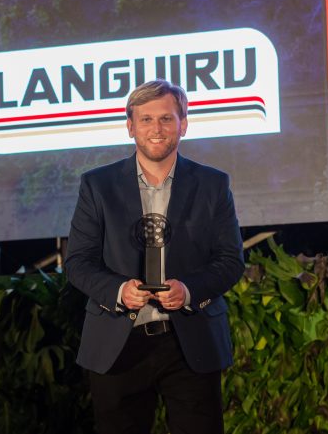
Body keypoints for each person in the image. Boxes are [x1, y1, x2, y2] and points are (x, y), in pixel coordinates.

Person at [65, 79, 245, 434]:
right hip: (118, 342)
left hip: (191, 342)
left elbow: (230, 260)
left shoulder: (213, 184)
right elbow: (78, 262)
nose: (156, 129)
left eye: (166, 118)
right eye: (145, 119)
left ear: (183, 124)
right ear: (130, 126)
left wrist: (188, 290)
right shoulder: (97, 185)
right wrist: (119, 291)